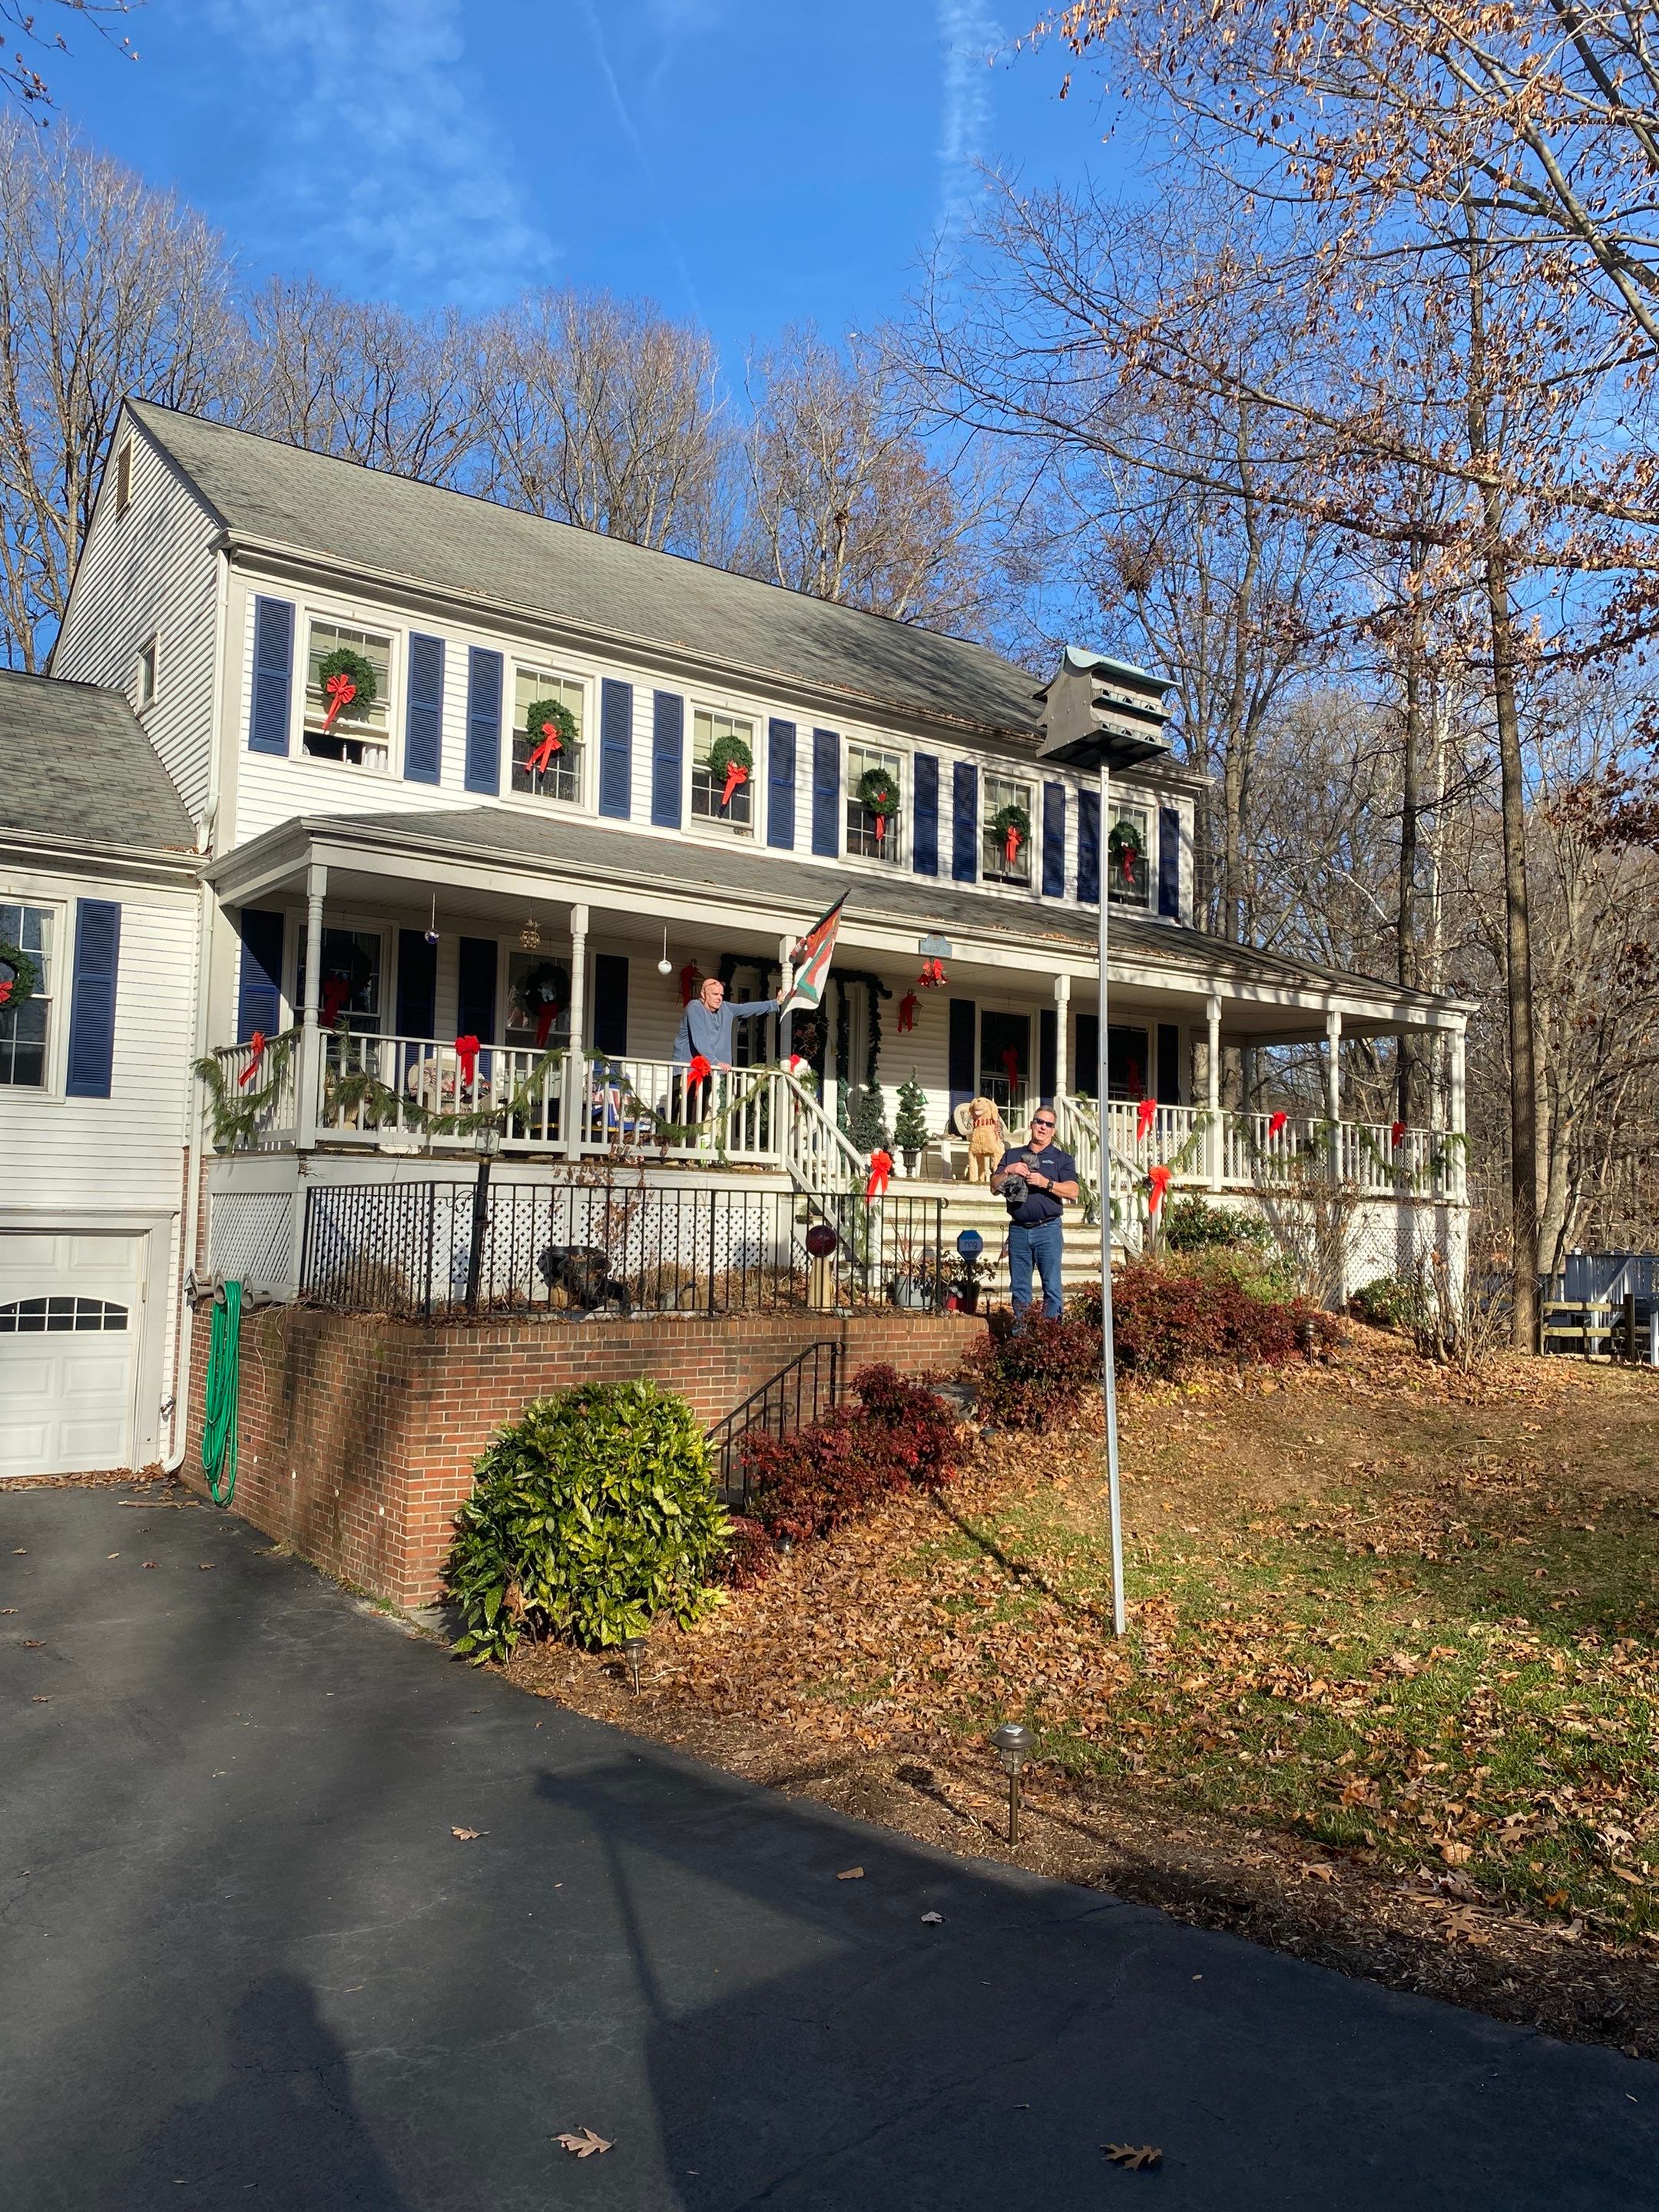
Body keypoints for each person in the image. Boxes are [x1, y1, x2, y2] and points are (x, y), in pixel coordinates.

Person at [991, 1104, 1079, 1321]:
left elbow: (1073, 1191)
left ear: (1053, 1131)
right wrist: (1009, 1170)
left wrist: (1046, 1183)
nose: (1043, 1127)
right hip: (1019, 1231)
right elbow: (993, 1186)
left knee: (1051, 1287)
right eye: (1039, 1122)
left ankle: (1050, 1340)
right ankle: (1022, 1341)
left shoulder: (1061, 1159)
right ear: (1032, 1124)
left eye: (1049, 1124)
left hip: (1048, 1229)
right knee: (1020, 1289)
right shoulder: (1013, 1154)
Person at [671, 972, 781, 1068]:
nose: (719, 998)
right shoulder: (695, 1007)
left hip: (714, 1070)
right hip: (688, 1069)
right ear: (703, 994)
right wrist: (715, 1062)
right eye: (715, 994)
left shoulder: (725, 1008)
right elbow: (701, 1039)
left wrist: (775, 1003)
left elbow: (747, 1008)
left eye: (721, 995)